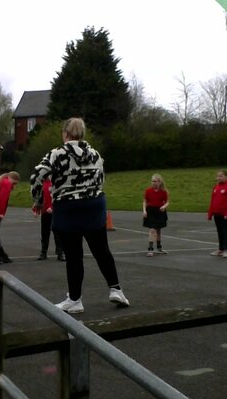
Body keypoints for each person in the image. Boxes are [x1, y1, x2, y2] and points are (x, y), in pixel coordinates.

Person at [30, 117, 129, 313]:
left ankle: (75, 299)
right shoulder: (95, 154)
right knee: (101, 250)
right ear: (82, 134)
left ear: (65, 134)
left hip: (68, 208)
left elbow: (37, 176)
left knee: (74, 255)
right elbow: (101, 178)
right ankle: (116, 289)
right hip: (94, 205)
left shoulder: (57, 154)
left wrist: (39, 200)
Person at [32, 178, 65, 261]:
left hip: (55, 212)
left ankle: (60, 252)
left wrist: (52, 207)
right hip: (45, 212)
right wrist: (36, 210)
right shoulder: (41, 184)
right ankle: (43, 252)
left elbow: (59, 197)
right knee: (44, 232)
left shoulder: (55, 183)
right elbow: (38, 199)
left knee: (57, 232)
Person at [208, 169, 227, 258]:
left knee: (225, 231)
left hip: (224, 214)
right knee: (219, 231)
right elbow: (213, 201)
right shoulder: (216, 187)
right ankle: (220, 249)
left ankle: (226, 250)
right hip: (217, 213)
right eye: (218, 176)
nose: (218, 178)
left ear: (226, 177)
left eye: (221, 176)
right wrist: (210, 213)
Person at [142, 173, 170, 257]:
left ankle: (159, 247)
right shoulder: (148, 191)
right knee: (152, 230)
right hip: (151, 211)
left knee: (158, 230)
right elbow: (145, 201)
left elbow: (167, 202)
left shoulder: (164, 191)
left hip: (160, 211)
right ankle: (150, 249)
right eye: (152, 181)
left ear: (159, 182)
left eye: (155, 181)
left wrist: (164, 206)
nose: (153, 183)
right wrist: (144, 211)